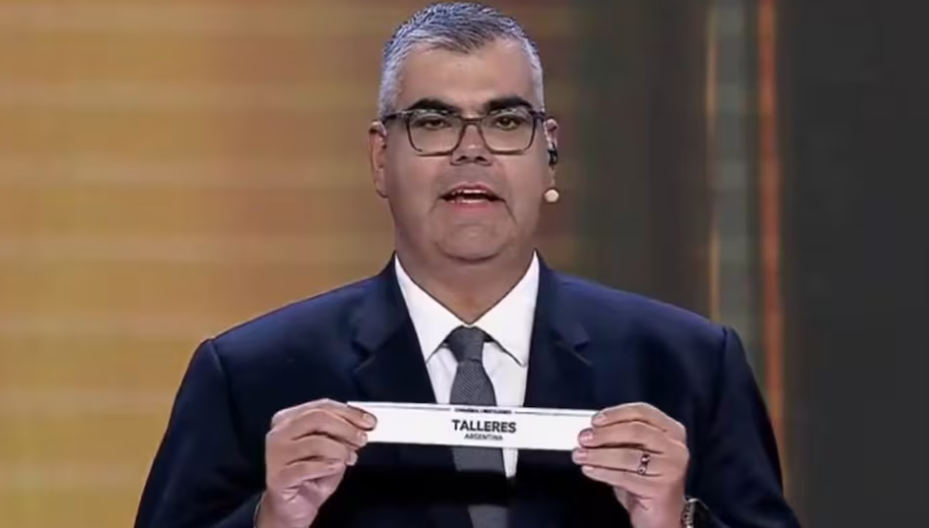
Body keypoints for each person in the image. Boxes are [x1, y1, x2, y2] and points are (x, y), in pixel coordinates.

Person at [133, 3, 801, 528]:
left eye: (505, 122)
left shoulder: (688, 367)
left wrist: (674, 522)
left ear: (548, 154)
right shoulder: (249, 376)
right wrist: (272, 520)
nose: (471, 150)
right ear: (380, 158)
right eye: (434, 122)